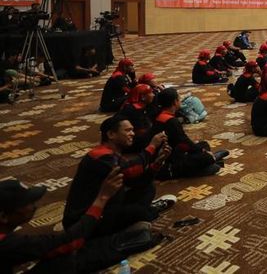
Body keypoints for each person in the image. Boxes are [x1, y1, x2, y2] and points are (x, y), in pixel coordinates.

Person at [0, 172, 162, 273]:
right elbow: (70, 241)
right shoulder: (8, 244)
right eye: (28, 203)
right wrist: (102, 198)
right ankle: (126, 242)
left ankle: (125, 240)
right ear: (4, 217)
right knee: (64, 261)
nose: (35, 206)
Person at [63, 116, 174, 237]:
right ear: (111, 134)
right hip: (84, 220)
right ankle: (142, 217)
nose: (132, 134)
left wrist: (157, 163)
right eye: (127, 130)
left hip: (108, 203)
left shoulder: (113, 154)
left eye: (132, 130)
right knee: (140, 213)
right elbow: (132, 169)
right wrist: (152, 145)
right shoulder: (100, 156)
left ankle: (142, 215)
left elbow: (134, 181)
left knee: (148, 188)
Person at [151, 88, 228, 179]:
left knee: (203, 144)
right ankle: (211, 160)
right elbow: (183, 143)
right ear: (175, 102)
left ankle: (209, 160)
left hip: (173, 152)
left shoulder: (159, 116)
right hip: (170, 162)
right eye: (179, 99)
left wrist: (198, 148)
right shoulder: (171, 121)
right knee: (207, 159)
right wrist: (202, 152)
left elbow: (182, 142)